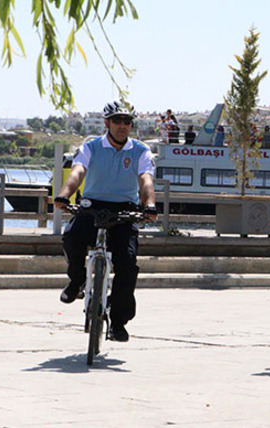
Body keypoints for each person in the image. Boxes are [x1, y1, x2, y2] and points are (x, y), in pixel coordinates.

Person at [54, 99, 157, 342]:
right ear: (107, 123)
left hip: (124, 210)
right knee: (71, 238)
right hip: (93, 205)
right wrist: (64, 195)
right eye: (118, 121)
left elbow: (145, 180)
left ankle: (118, 322)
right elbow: (78, 172)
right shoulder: (91, 146)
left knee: (128, 265)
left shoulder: (140, 151)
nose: (123, 125)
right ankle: (77, 281)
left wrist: (150, 204)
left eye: (127, 121)